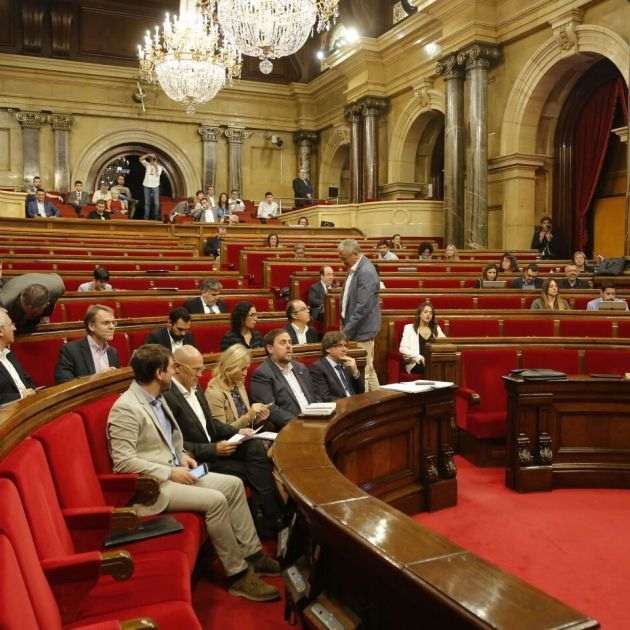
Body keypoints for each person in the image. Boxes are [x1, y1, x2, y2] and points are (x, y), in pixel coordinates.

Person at [107, 344, 281, 602]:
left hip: (178, 469)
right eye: (171, 368)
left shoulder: (157, 397)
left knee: (233, 485)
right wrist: (170, 472)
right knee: (216, 500)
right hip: (155, 485)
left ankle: (253, 554)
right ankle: (237, 574)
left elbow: (169, 441)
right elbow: (122, 462)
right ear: (159, 373)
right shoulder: (126, 407)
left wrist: (182, 456)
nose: (174, 373)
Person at [164, 345, 284, 537]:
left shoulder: (195, 387)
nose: (201, 374)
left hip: (216, 449)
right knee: (253, 471)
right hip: (198, 464)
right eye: (196, 370)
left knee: (254, 447)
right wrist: (214, 449)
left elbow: (212, 424)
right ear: (177, 368)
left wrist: (238, 432)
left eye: (202, 369)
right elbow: (175, 444)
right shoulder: (167, 396)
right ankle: (273, 519)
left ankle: (272, 518)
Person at [250, 329, 317, 429]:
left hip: (314, 421)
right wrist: (299, 424)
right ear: (270, 349)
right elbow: (270, 408)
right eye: (283, 342)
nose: (289, 346)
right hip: (290, 428)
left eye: (290, 342)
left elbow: (313, 396)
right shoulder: (262, 374)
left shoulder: (300, 368)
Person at [338, 239, 380, 391]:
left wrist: (346, 332)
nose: (341, 260)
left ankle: (368, 405)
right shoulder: (354, 268)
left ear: (354, 254)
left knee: (364, 373)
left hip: (361, 330)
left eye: (344, 257)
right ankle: (380, 400)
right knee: (369, 369)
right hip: (355, 328)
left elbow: (363, 307)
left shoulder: (366, 271)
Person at [206, 344, 271, 430]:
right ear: (230, 368)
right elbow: (221, 431)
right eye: (242, 369)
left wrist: (258, 417)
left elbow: (246, 423)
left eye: (246, 368)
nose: (245, 373)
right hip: (230, 437)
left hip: (247, 434)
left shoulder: (238, 383)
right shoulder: (214, 393)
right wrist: (249, 416)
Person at [54, 304, 120, 383]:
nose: (112, 327)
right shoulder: (70, 350)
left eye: (113, 323)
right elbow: (63, 382)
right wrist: (95, 378)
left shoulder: (112, 352)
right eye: (106, 323)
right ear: (91, 326)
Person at [0, 273, 65, 334]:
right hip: (11, 286)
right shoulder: (4, 301)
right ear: (21, 299)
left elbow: (53, 300)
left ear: (46, 304)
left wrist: (46, 314)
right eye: (26, 311)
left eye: (33, 313)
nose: (28, 315)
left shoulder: (58, 287)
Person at [309, 331, 364, 401]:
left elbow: (361, 391)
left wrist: (355, 371)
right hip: (340, 405)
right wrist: (347, 402)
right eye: (339, 346)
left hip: (355, 403)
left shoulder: (347, 364)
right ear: (328, 349)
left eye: (345, 346)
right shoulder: (318, 368)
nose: (344, 349)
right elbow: (325, 397)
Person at [0, 308, 36, 404]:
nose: (14, 328)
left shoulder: (9, 354)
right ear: (0, 331)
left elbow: (28, 381)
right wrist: (21, 396)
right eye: (10, 325)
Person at [399, 302, 446, 374]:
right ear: (420, 314)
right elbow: (403, 349)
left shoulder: (436, 328)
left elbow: (445, 343)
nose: (428, 315)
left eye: (430, 313)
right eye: (425, 312)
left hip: (433, 362)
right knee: (430, 369)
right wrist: (418, 357)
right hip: (416, 363)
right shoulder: (409, 328)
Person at [139, 153, 163, 220]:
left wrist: (155, 165)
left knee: (156, 203)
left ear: (157, 160)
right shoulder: (147, 165)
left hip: (155, 186)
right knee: (147, 203)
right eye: (151, 159)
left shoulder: (160, 167)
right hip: (146, 185)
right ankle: (146, 218)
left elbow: (158, 174)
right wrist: (148, 155)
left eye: (154, 159)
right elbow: (140, 159)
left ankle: (156, 217)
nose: (152, 160)